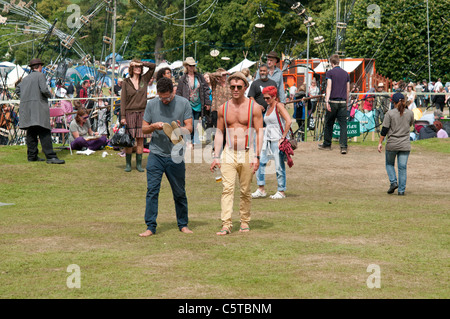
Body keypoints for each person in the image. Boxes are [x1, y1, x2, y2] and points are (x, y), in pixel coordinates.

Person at [210, 71, 264, 235]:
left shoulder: (254, 108)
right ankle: (226, 224)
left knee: (245, 191)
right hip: (229, 152)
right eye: (232, 86)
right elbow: (219, 132)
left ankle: (245, 222)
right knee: (227, 189)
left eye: (238, 86)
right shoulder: (223, 108)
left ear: (245, 87)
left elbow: (260, 132)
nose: (235, 89)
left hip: (247, 152)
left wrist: (257, 156)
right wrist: (215, 155)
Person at [139, 77, 193, 237]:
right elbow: (143, 129)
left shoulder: (184, 103)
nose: (164, 100)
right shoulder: (151, 104)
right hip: (156, 154)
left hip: (176, 155)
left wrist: (179, 129)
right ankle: (150, 226)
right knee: (152, 191)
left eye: (167, 97)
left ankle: (183, 224)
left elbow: (189, 128)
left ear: (173, 91)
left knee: (179, 192)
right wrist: (152, 127)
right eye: (161, 97)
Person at [15, 58, 65, 164]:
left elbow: (17, 90)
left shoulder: (26, 78)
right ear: (39, 67)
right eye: (41, 66)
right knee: (44, 131)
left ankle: (32, 156)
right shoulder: (41, 75)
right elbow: (43, 89)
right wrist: (49, 94)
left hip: (27, 109)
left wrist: (25, 97)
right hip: (38, 108)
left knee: (31, 132)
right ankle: (50, 156)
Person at [251, 86, 291, 200]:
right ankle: (261, 188)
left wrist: (283, 137)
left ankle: (281, 190)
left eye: (268, 98)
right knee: (261, 162)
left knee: (279, 165)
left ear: (274, 96)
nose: (266, 100)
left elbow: (288, 121)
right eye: (264, 98)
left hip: (277, 140)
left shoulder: (279, 106)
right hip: (266, 139)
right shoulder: (268, 107)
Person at [120, 59, 156, 172]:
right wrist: (122, 117)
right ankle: (128, 164)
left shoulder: (144, 79)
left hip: (142, 113)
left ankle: (139, 164)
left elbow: (153, 66)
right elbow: (123, 100)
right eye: (136, 67)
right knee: (129, 141)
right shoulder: (126, 82)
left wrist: (142, 63)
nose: (138, 69)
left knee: (141, 140)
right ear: (131, 68)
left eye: (139, 67)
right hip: (129, 113)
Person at [377, 93, 414, 196]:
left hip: (392, 144)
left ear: (393, 102)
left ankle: (393, 182)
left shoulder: (390, 114)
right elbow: (410, 124)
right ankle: (401, 191)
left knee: (389, 164)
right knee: (402, 168)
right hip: (405, 144)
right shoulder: (410, 113)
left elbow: (384, 130)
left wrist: (380, 142)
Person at [318, 54, 350, 154]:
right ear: (338, 62)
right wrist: (347, 102)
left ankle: (327, 144)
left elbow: (329, 87)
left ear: (331, 63)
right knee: (343, 125)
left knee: (329, 123)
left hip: (333, 102)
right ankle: (343, 146)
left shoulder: (330, 73)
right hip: (343, 102)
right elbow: (348, 89)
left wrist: (327, 101)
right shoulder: (346, 74)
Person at [176, 57, 211, 146]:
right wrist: (179, 104)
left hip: (199, 103)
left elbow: (206, 89)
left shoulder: (200, 77)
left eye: (193, 65)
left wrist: (207, 102)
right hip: (187, 104)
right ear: (186, 66)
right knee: (189, 122)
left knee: (195, 123)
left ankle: (192, 139)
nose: (192, 67)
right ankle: (189, 140)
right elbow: (179, 92)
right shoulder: (182, 79)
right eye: (190, 65)